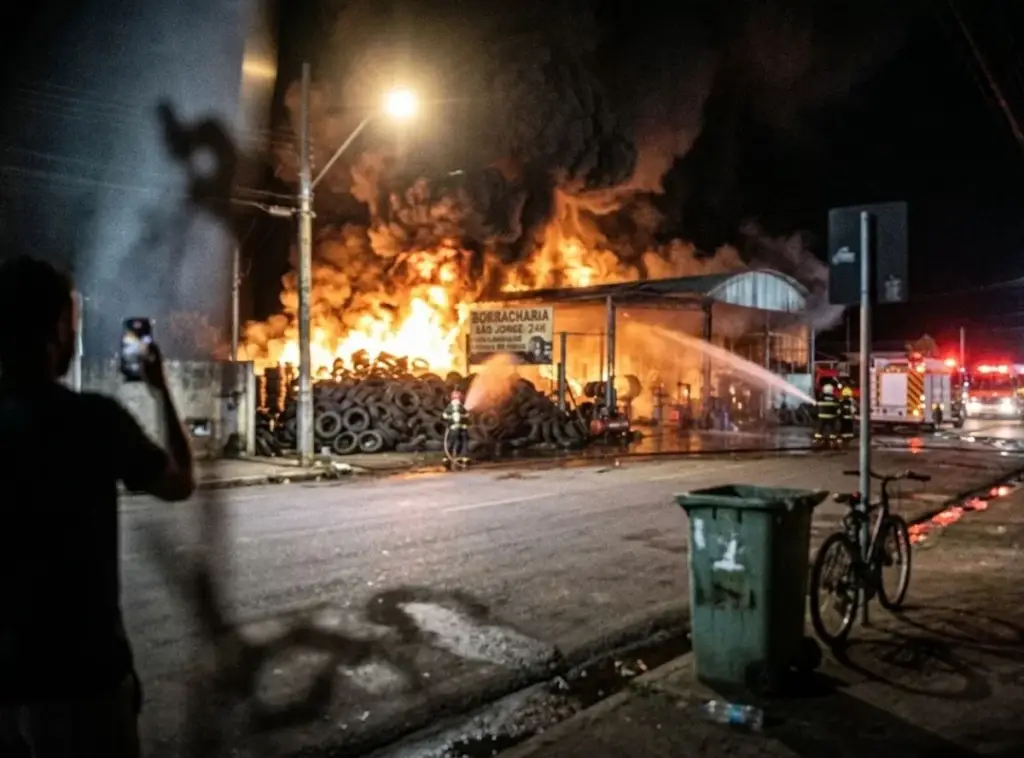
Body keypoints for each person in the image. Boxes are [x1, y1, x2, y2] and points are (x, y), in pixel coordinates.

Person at [0, 256, 195, 757]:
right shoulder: (93, 421)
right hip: (84, 687)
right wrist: (160, 389)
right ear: (56, 333)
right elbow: (179, 483)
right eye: (71, 322)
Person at [442, 387, 470, 468]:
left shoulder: (450, 406)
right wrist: (462, 416)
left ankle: (447, 459)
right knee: (463, 443)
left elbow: (444, 416)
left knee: (451, 443)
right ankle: (463, 459)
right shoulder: (461, 406)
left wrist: (450, 418)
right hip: (462, 429)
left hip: (453, 429)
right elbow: (468, 415)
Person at [814, 377, 840, 442]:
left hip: (822, 417)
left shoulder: (821, 397)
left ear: (824, 389)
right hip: (831, 417)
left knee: (820, 429)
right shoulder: (834, 398)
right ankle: (832, 440)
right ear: (831, 390)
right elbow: (837, 407)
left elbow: (817, 405)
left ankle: (817, 439)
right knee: (832, 429)